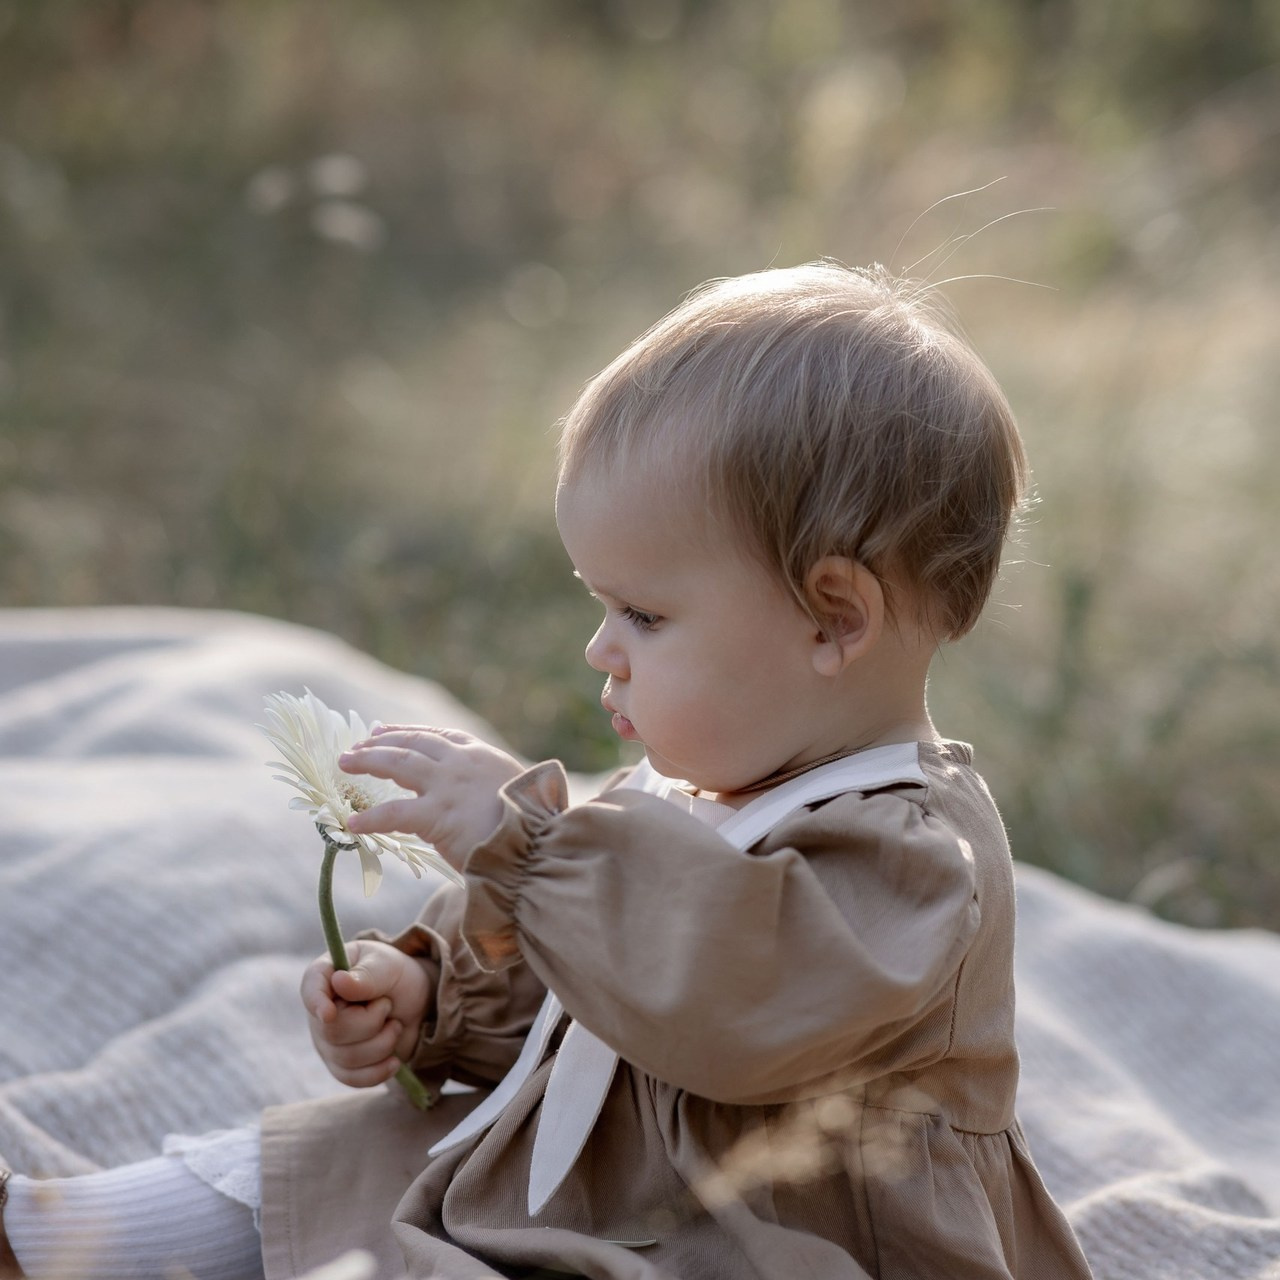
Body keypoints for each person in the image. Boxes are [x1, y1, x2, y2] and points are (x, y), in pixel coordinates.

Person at [0, 262, 1093, 1279]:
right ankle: (53, 1232)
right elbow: (589, 977)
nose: (599, 649)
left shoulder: (913, 857)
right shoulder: (698, 788)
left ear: (832, 617)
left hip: (766, 1235)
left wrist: (526, 845)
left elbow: (719, 992)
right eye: (599, 603)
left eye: (644, 613)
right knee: (359, 1151)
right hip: (613, 1175)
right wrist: (431, 993)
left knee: (437, 1219)